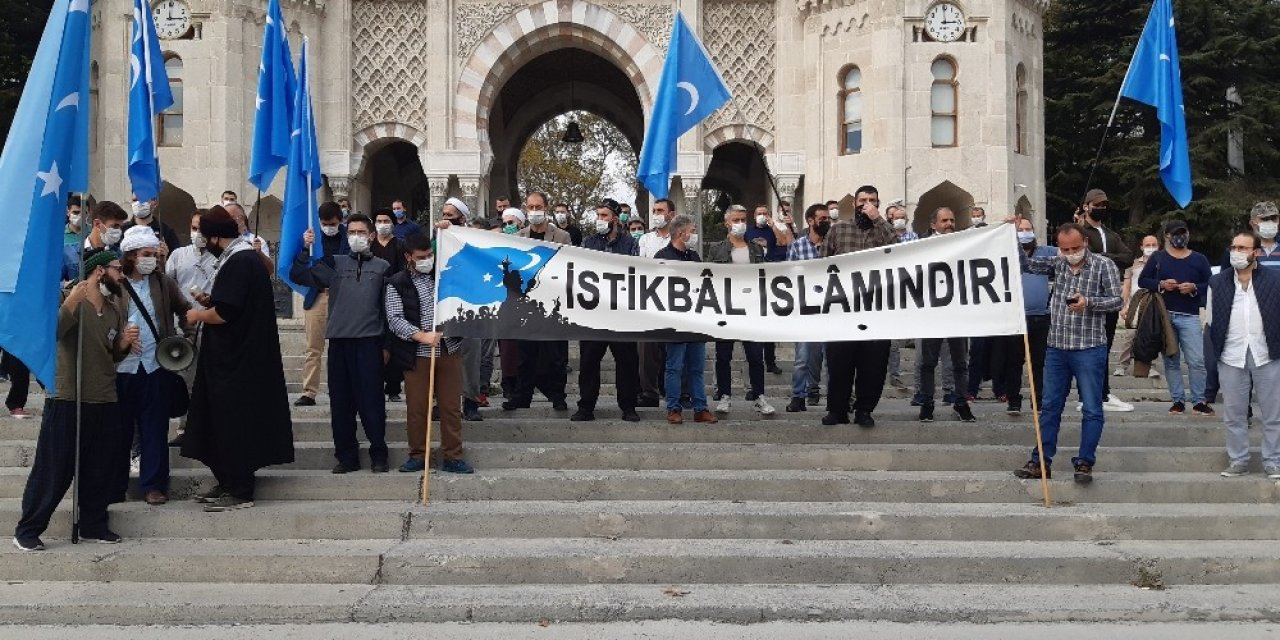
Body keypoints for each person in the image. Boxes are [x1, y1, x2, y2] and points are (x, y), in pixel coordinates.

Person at [13, 248, 138, 551]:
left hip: (103, 396)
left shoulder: (113, 308)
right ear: (99, 271)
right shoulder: (69, 298)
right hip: (68, 396)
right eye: (117, 269)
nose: (121, 275)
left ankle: (93, 524)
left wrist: (123, 344)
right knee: (54, 467)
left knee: (99, 468)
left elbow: (111, 355)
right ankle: (28, 528)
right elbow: (52, 333)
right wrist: (70, 303)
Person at [181, 206, 294, 511]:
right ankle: (228, 480)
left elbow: (225, 314)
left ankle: (240, 489)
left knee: (233, 423)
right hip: (231, 358)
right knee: (216, 422)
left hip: (236, 362)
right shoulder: (239, 258)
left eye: (205, 236)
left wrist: (198, 313)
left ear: (216, 236)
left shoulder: (241, 260)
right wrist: (210, 300)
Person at [1012, 222, 1123, 485]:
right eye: (1065, 249)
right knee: (1049, 407)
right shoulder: (1057, 263)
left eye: (1075, 247)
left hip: (1090, 347)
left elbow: (1117, 300)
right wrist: (1012, 238)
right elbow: (1026, 265)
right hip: (1057, 348)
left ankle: (1085, 461)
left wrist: (1089, 302)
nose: (1071, 253)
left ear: (1085, 241)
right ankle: (1040, 460)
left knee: (1093, 408)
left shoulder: (1103, 265)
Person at [291, 214, 393, 473]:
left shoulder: (383, 267)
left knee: (371, 402)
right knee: (341, 404)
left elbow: (387, 311)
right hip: (339, 342)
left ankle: (378, 453)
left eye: (361, 232)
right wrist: (305, 248)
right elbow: (300, 275)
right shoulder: (335, 264)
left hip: (369, 343)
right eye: (352, 232)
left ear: (371, 236)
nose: (356, 236)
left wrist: (387, 346)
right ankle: (346, 456)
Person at [113, 226, 193, 506]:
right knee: (119, 431)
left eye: (154, 255)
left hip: (156, 365)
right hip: (122, 368)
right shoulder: (116, 284)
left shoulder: (162, 283)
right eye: (146, 255)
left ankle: (154, 485)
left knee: (155, 429)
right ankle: (115, 485)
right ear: (132, 256)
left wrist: (187, 341)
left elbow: (185, 310)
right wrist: (119, 341)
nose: (152, 260)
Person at [386, 233, 475, 474]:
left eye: (430, 256)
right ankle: (417, 454)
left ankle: (453, 455)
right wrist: (420, 334)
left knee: (450, 407)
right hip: (418, 354)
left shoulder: (446, 277)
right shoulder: (397, 282)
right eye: (421, 257)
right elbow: (394, 319)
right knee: (417, 408)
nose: (426, 260)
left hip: (449, 350)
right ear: (408, 257)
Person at [821, 185, 895, 427]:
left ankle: (864, 409)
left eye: (871, 200)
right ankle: (837, 409)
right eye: (862, 200)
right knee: (839, 363)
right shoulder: (838, 230)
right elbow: (822, 265)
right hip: (842, 310)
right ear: (854, 203)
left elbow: (902, 251)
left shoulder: (885, 231)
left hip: (876, 309)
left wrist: (878, 220)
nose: (866, 204)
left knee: (873, 364)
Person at [1209, 232, 1280, 479]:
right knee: (1234, 413)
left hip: (1267, 353)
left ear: (1256, 252)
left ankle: (1273, 461)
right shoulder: (1218, 282)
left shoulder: (1274, 281)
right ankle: (1238, 459)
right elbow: (1211, 320)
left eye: (1243, 247)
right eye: (1234, 247)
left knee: (1273, 413)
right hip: (1231, 354)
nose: (1237, 252)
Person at [574, 200, 641, 422]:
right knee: (589, 362)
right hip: (594, 312)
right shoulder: (588, 242)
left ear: (614, 218)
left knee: (627, 362)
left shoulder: (629, 244)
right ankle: (586, 407)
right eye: (598, 215)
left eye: (604, 215)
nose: (600, 220)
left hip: (621, 313)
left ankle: (628, 406)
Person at [503, 194, 570, 413]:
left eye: (538, 207)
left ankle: (558, 396)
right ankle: (522, 396)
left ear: (546, 207)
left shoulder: (561, 236)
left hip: (553, 305)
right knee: (525, 355)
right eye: (530, 207)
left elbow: (569, 266)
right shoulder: (518, 236)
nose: (534, 210)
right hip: (526, 305)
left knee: (556, 356)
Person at [1138, 219, 1213, 416]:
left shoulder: (1199, 259)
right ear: (1167, 237)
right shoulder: (1158, 258)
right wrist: (1162, 284)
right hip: (1164, 315)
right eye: (1176, 234)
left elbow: (1211, 283)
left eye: (1184, 232)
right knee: (1171, 359)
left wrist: (1195, 287)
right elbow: (1143, 280)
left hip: (1190, 315)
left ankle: (1199, 400)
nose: (1180, 237)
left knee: (1196, 360)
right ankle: (1177, 400)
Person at [707, 205, 774, 416]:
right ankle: (724, 395)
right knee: (723, 355)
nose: (740, 224)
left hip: (751, 309)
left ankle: (759, 396)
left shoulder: (755, 249)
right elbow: (709, 277)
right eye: (736, 220)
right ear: (727, 222)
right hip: (726, 309)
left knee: (755, 356)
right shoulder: (716, 249)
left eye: (743, 219)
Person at [915, 208, 977, 423]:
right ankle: (927, 403)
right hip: (932, 312)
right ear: (934, 224)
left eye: (952, 220)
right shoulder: (922, 246)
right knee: (928, 362)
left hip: (957, 312)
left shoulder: (964, 243)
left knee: (960, 362)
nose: (949, 223)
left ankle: (961, 402)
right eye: (944, 220)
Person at [654, 215, 717, 425]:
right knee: (674, 367)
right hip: (674, 321)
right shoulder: (662, 257)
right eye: (693, 230)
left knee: (696, 368)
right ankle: (674, 408)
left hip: (695, 320)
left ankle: (700, 408)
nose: (694, 234)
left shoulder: (694, 257)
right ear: (682, 234)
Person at [163, 210, 219, 447]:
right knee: (185, 378)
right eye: (195, 228)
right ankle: (185, 428)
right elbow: (167, 287)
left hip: (212, 325)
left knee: (212, 379)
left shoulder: (220, 257)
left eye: (203, 229)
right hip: (184, 328)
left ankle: (213, 427)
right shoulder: (178, 255)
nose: (198, 234)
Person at [1076, 189, 1135, 412]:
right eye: (1097, 204)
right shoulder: (1080, 231)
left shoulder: (1110, 234)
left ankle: (1102, 393)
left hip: (1110, 296)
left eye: (1104, 204)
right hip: (1090, 295)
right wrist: (1110, 261)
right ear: (1087, 206)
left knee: (1105, 345)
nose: (1101, 208)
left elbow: (1128, 256)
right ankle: (1088, 395)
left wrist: (1103, 258)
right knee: (1091, 347)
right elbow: (1085, 255)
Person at [995, 217, 1055, 415]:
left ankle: (1037, 400)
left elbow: (1071, 253)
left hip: (1041, 317)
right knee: (1013, 361)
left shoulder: (1046, 252)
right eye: (1021, 229)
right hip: (1016, 317)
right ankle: (1013, 400)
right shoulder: (1007, 252)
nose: (1025, 232)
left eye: (1028, 228)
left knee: (1039, 363)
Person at [294, 203, 350, 407]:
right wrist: (304, 247)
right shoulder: (312, 239)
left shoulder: (349, 237)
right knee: (313, 348)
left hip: (343, 297)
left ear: (340, 220)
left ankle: (342, 389)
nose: (329, 227)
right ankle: (309, 391)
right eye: (325, 224)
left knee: (343, 348)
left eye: (332, 223)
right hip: (318, 296)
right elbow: (297, 271)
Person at [785, 204, 831, 413]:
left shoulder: (833, 246)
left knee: (829, 357)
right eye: (822, 218)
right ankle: (798, 395)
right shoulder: (798, 247)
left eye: (828, 218)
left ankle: (832, 395)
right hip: (805, 309)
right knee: (802, 357)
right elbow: (789, 277)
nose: (826, 222)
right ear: (810, 221)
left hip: (830, 309)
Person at [636, 198, 677, 407]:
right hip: (650, 299)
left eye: (660, 210)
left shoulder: (681, 238)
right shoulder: (645, 240)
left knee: (674, 349)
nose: (656, 214)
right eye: (654, 210)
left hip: (675, 300)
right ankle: (649, 392)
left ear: (671, 214)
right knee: (648, 350)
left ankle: (674, 393)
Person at [370, 208, 408, 403]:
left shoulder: (400, 246)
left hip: (394, 298)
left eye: (386, 220)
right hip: (371, 300)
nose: (382, 223)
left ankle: (393, 387)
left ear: (393, 224)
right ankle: (375, 383)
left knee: (393, 342)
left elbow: (404, 272)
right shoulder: (369, 245)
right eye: (379, 220)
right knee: (374, 341)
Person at [1116, 235, 1162, 378]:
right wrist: (1124, 306)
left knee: (1152, 335)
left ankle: (1152, 367)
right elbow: (1127, 287)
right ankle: (1121, 366)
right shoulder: (1133, 265)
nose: (1151, 247)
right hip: (1135, 304)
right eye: (1147, 245)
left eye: (1154, 244)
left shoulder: (1163, 263)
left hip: (1153, 304)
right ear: (1142, 247)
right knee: (1130, 335)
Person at [64, 201, 127, 281]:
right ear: (97, 224)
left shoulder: (119, 255)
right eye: (115, 226)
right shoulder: (68, 253)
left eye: (120, 227)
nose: (119, 231)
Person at [224, 202, 274, 272]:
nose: (224, 222)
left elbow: (270, 270)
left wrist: (259, 253)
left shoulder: (256, 240)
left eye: (230, 218)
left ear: (242, 218)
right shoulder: (221, 240)